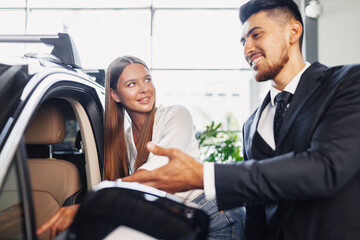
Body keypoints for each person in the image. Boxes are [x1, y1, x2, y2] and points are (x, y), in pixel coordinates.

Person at [122, 1, 360, 240]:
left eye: (256, 35)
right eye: (243, 41)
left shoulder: (346, 83)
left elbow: (324, 169)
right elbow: (256, 211)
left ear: (293, 32)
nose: (248, 49)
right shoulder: (252, 124)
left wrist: (206, 175)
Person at [36, 55, 245, 239]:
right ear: (115, 95)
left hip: (214, 215)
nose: (144, 88)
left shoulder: (176, 115)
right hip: (176, 219)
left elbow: (155, 175)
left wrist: (89, 206)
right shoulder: (125, 141)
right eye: (131, 84)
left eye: (147, 79)